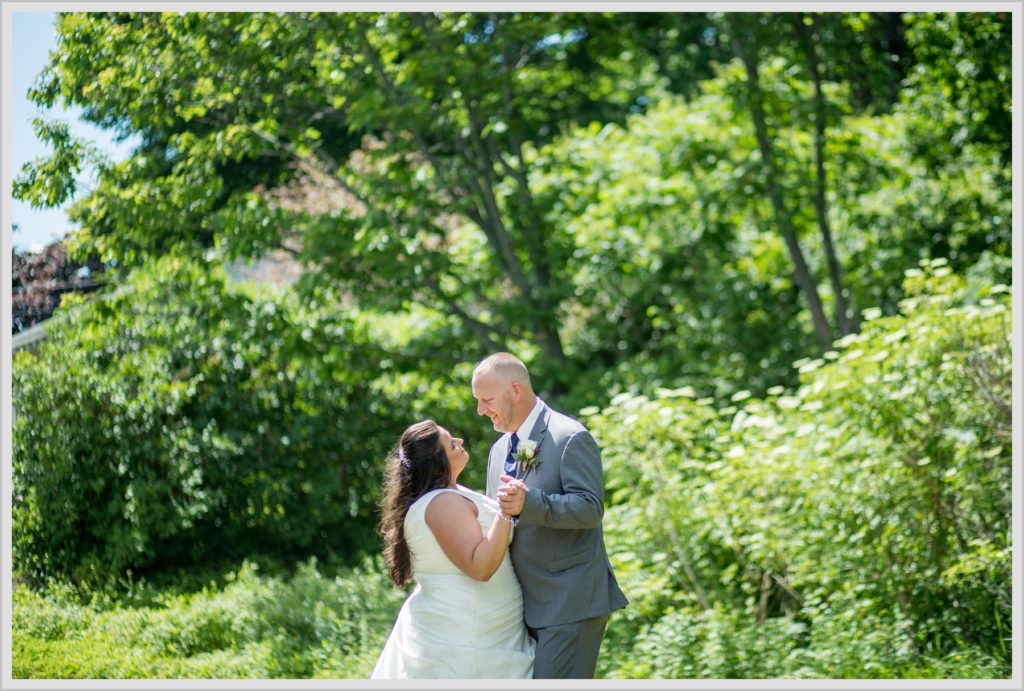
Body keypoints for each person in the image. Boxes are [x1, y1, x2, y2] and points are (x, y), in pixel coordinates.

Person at [472, 352, 628, 679]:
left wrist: (530, 504)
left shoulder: (569, 437)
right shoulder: (499, 450)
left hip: (568, 602)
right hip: (518, 607)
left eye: (486, 400)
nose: (480, 410)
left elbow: (590, 508)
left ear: (516, 390)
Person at [371, 419, 534, 679]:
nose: (460, 442)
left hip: (486, 629)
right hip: (466, 634)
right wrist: (505, 512)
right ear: (437, 465)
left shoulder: (448, 495)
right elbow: (480, 567)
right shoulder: (443, 503)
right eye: (451, 444)